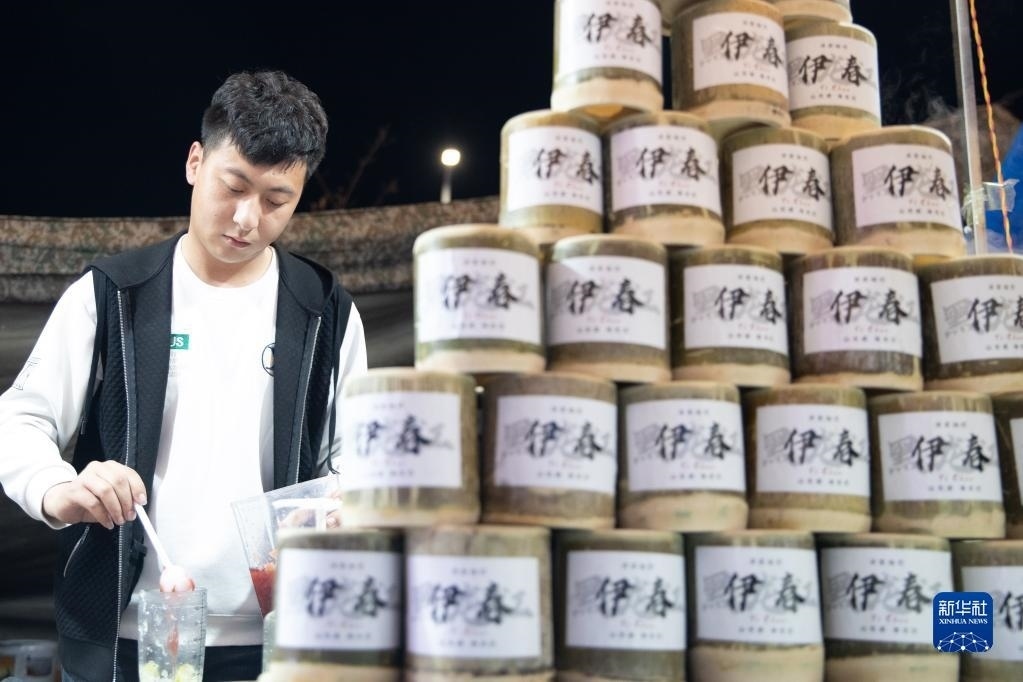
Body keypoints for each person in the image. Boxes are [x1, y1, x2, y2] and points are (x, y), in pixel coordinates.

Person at [0, 70, 367, 681]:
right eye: (233, 187)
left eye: (276, 201)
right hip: (124, 631)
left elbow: (358, 459)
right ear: (196, 162)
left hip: (283, 638)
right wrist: (55, 488)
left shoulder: (324, 310)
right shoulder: (113, 294)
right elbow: (20, 417)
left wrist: (346, 504)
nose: (247, 218)